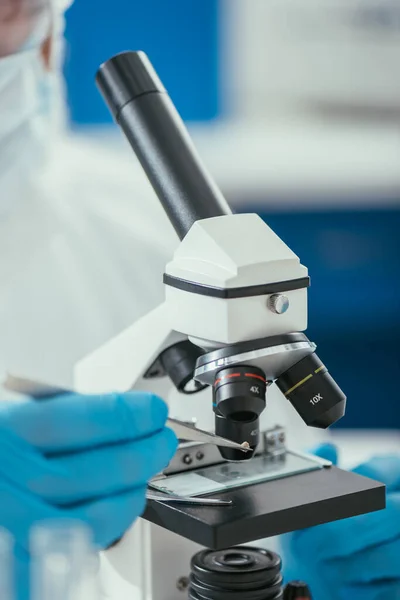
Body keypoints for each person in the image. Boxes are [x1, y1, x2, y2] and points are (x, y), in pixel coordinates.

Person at [0, 1, 398, 599]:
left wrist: (333, 552)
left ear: (54, 30)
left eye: (11, 10)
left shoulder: (135, 215)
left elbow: (266, 460)